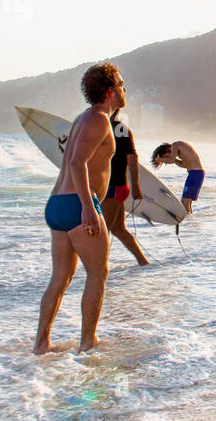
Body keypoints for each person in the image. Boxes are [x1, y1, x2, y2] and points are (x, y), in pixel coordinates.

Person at [35, 63, 122, 354]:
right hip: (78, 204)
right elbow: (76, 164)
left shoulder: (82, 118)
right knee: (98, 274)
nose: (124, 90)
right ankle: (88, 342)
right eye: (121, 85)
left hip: (58, 203)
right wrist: (88, 207)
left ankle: (41, 343)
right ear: (110, 91)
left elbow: (72, 161)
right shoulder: (99, 120)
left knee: (61, 276)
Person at [102, 111, 148, 266]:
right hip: (113, 187)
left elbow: (132, 158)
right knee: (118, 229)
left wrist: (136, 187)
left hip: (114, 187)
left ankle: (99, 269)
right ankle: (143, 262)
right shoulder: (103, 126)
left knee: (103, 231)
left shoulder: (119, 129)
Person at [150, 140, 204, 214]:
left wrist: (159, 159)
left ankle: (186, 221)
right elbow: (184, 165)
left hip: (195, 174)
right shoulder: (181, 149)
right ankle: (190, 222)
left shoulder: (175, 145)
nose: (168, 158)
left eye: (166, 156)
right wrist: (175, 160)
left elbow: (170, 160)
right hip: (196, 173)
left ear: (166, 150)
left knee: (184, 202)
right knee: (187, 203)